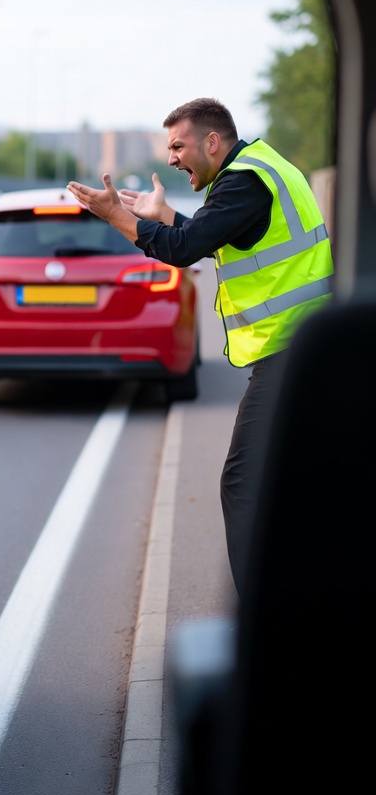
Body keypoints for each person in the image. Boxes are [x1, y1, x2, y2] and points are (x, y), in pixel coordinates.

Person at [67, 97, 334, 595]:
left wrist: (117, 219)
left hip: (292, 351)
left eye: (177, 145)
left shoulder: (243, 181)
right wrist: (162, 213)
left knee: (242, 483)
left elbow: (184, 248)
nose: (170, 158)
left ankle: (258, 616)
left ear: (212, 142)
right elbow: (204, 234)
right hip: (305, 346)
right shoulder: (256, 169)